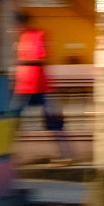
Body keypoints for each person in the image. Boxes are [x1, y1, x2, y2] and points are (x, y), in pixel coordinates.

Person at [13, 14, 73, 163]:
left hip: (38, 86)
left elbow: (41, 58)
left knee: (54, 122)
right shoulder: (19, 39)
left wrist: (21, 62)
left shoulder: (36, 36)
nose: (14, 29)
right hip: (23, 86)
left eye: (17, 25)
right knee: (12, 121)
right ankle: (11, 156)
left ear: (23, 24)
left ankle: (66, 154)